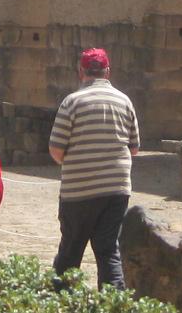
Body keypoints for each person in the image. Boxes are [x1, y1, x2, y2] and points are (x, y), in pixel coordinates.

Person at [48, 47, 140, 288]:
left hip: (79, 191)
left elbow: (56, 149)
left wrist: (76, 162)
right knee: (108, 251)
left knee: (70, 253)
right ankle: (114, 311)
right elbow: (134, 148)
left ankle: (60, 310)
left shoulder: (72, 102)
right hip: (117, 190)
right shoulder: (125, 101)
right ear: (107, 72)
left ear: (81, 72)